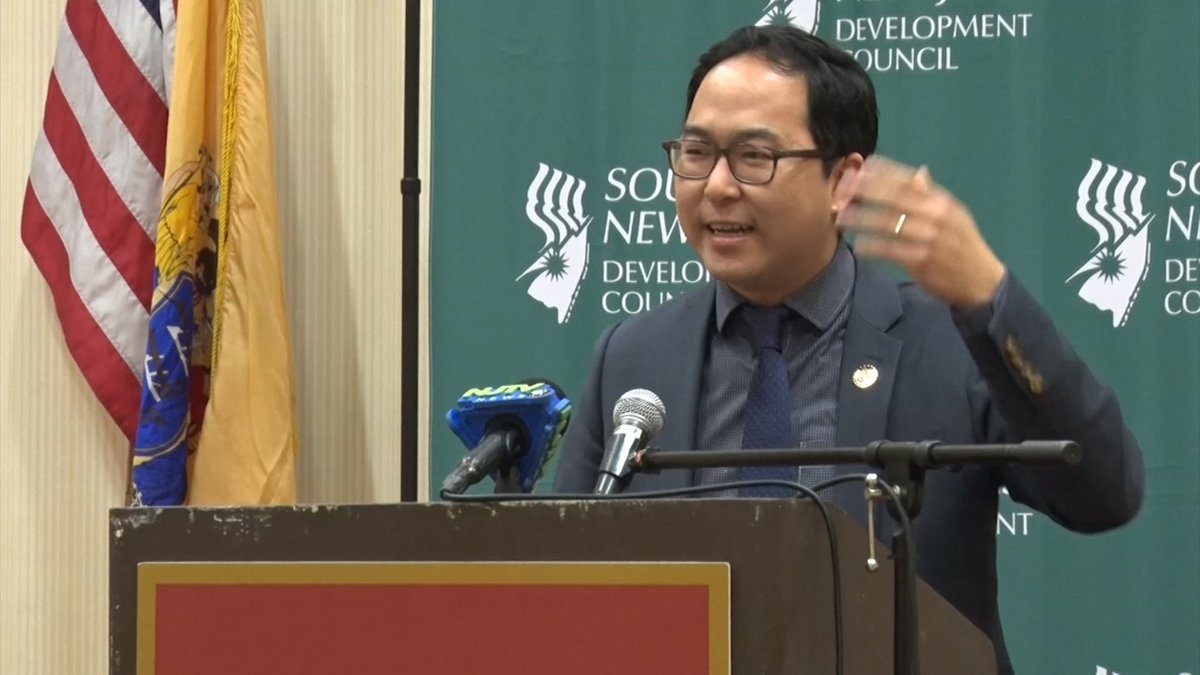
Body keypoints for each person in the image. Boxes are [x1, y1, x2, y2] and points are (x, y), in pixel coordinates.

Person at [553, 24, 1144, 674]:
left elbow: (1102, 492)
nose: (717, 185)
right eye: (696, 153)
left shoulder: (950, 342)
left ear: (843, 181)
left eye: (754, 157)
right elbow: (568, 578)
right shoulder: (632, 357)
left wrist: (990, 298)